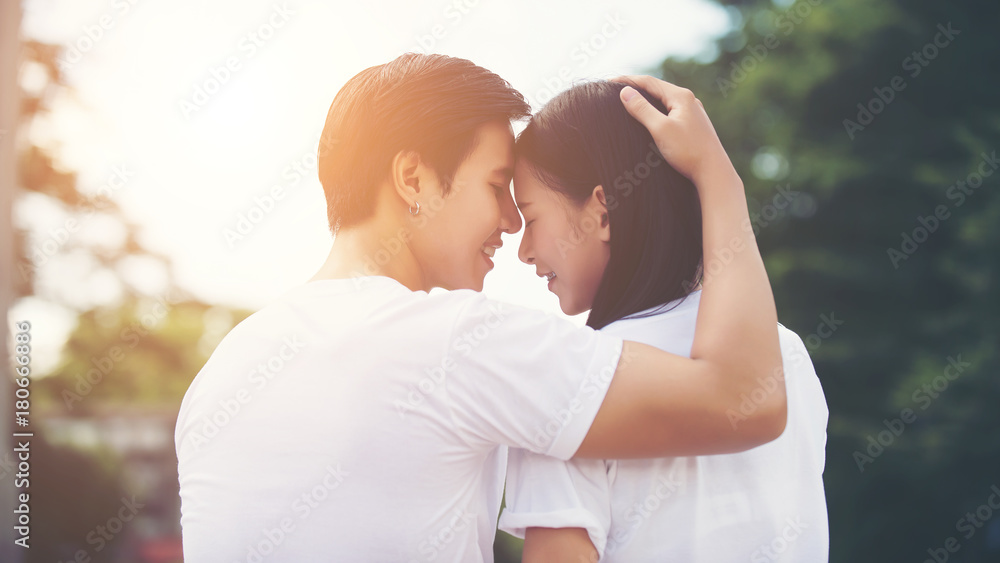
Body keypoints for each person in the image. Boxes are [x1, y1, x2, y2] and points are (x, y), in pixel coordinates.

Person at [174, 53, 785, 562]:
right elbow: (745, 399)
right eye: (496, 187)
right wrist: (717, 179)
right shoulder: (453, 341)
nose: (511, 223)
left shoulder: (222, 371)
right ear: (413, 178)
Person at [498, 80, 828, 562]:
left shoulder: (566, 380)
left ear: (602, 211)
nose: (524, 252)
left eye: (530, 218)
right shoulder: (787, 355)